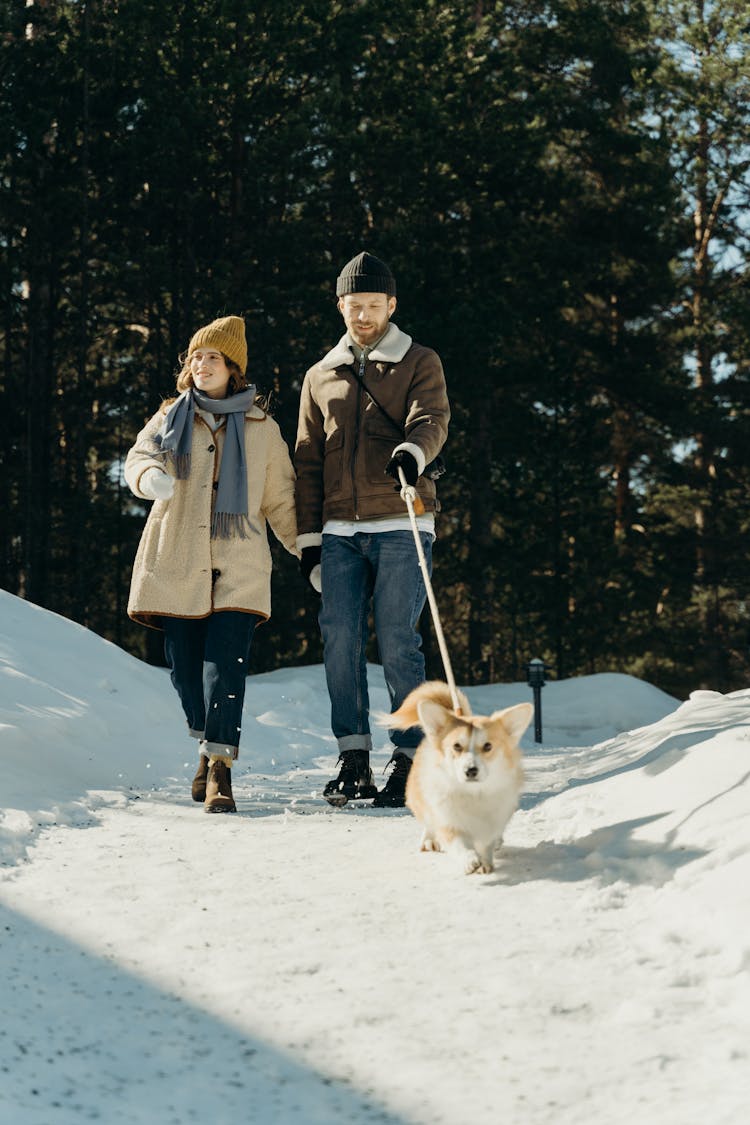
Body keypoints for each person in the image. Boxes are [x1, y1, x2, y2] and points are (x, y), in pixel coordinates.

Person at [294, 251, 450, 808]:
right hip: (337, 531)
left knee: (399, 641)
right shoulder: (319, 376)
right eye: (353, 305)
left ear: (391, 305)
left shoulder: (419, 361)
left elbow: (430, 420)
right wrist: (309, 545)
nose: (362, 315)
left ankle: (411, 759)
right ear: (340, 306)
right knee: (339, 638)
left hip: (402, 520)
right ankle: (352, 757)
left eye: (372, 305)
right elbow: (307, 462)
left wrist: (412, 453)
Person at [125, 315, 298, 813]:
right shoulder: (169, 416)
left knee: (227, 667)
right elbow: (139, 456)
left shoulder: (263, 429)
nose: (201, 364)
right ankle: (205, 744)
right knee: (183, 670)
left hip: (239, 562)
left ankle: (221, 768)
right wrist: (148, 477)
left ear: (233, 369)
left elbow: (282, 500)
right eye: (196, 357)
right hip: (176, 559)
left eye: (213, 357)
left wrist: (309, 554)